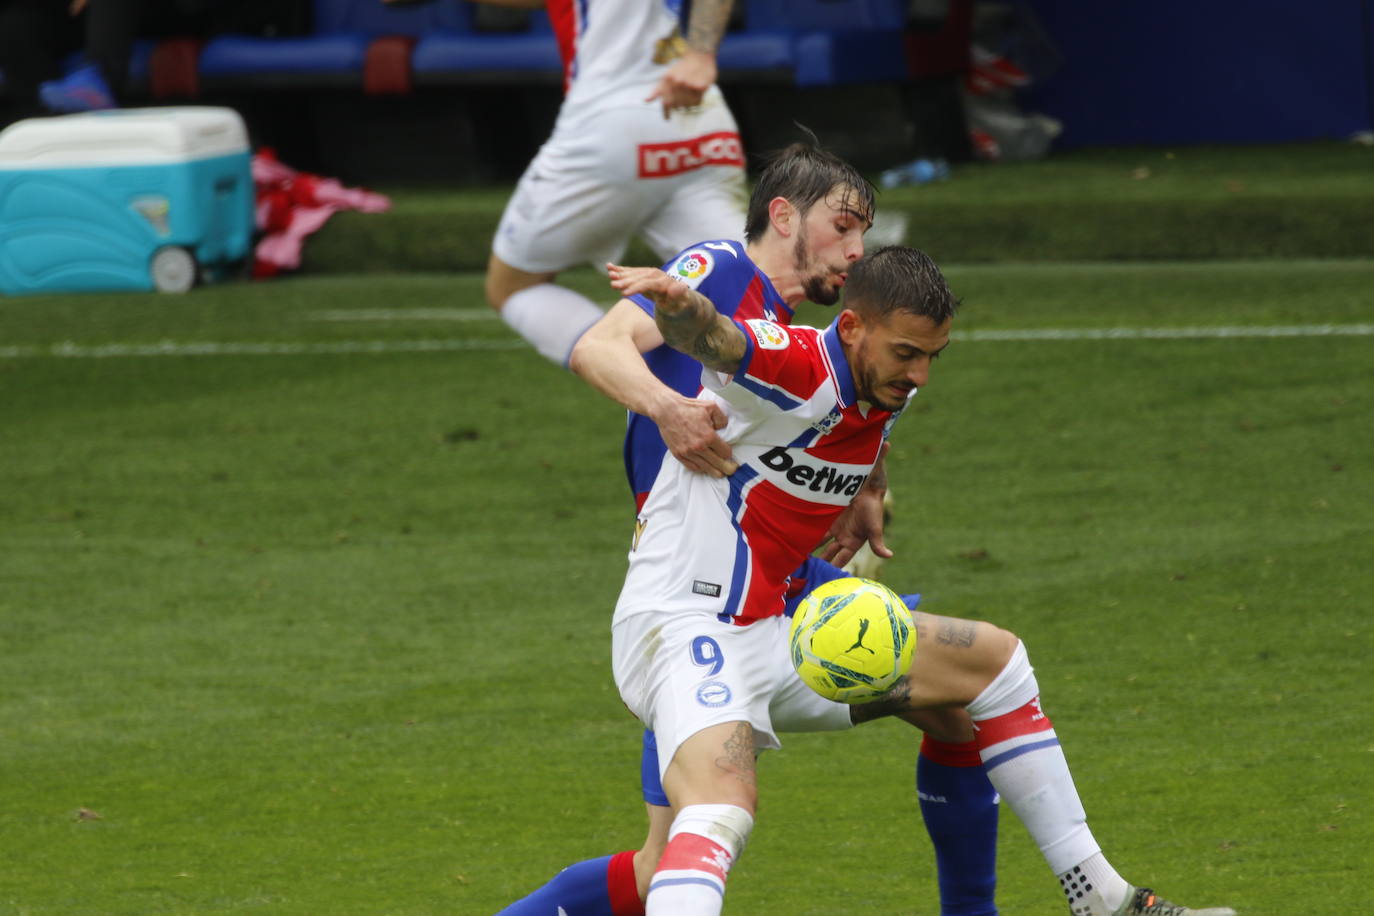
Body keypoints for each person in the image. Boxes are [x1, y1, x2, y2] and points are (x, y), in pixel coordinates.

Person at [599, 245, 1236, 916]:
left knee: (995, 664)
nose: (922, 375)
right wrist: (682, 305)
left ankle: (1102, 899)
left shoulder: (882, 386)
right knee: (721, 808)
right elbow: (718, 340)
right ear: (851, 329)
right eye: (907, 353)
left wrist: (869, 487)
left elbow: (863, 434)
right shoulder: (795, 363)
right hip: (679, 627)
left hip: (773, 630)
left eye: (934, 356)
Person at [495, 144, 1000, 916]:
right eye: (842, 227)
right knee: (662, 861)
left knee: (952, 702)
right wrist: (666, 411)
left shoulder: (793, 321)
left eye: (864, 234)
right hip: (696, 583)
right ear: (784, 215)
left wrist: (869, 478)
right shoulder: (721, 268)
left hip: (763, 575)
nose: (856, 250)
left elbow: (832, 397)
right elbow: (600, 346)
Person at [479, 0, 748, 367]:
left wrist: (701, 54)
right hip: (701, 120)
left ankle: (633, 373)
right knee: (745, 289)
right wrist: (700, 56)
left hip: (613, 122)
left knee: (512, 287)